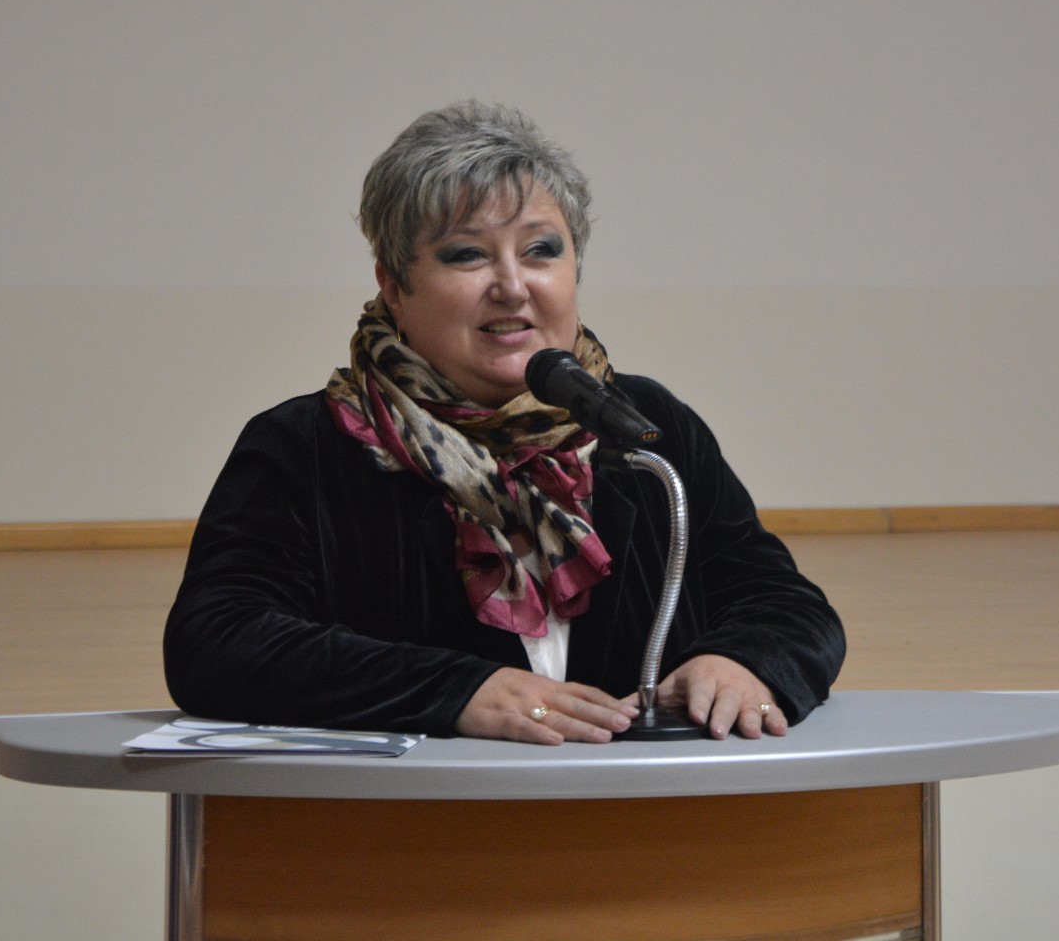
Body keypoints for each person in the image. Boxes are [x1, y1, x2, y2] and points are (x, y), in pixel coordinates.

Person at [164, 101, 844, 745]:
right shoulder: (306, 446)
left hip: (642, 814)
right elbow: (216, 641)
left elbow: (785, 603)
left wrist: (743, 662)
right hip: (417, 819)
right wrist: (457, 692)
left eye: (542, 250)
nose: (513, 286)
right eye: (468, 254)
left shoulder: (643, 427)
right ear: (393, 286)